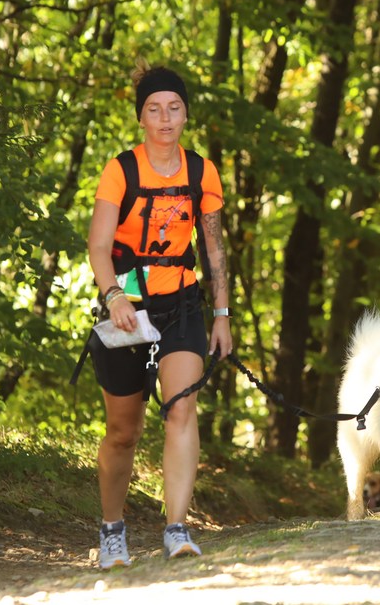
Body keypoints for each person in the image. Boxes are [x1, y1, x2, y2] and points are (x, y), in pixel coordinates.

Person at [87, 63, 232, 566]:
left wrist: (221, 314)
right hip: (127, 307)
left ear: (186, 115)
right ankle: (112, 531)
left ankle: (176, 528)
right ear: (141, 117)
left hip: (182, 305)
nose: (165, 118)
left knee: (182, 410)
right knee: (123, 432)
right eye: (154, 109)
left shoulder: (202, 171)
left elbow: (214, 249)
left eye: (174, 108)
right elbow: (99, 245)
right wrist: (113, 296)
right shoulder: (121, 170)